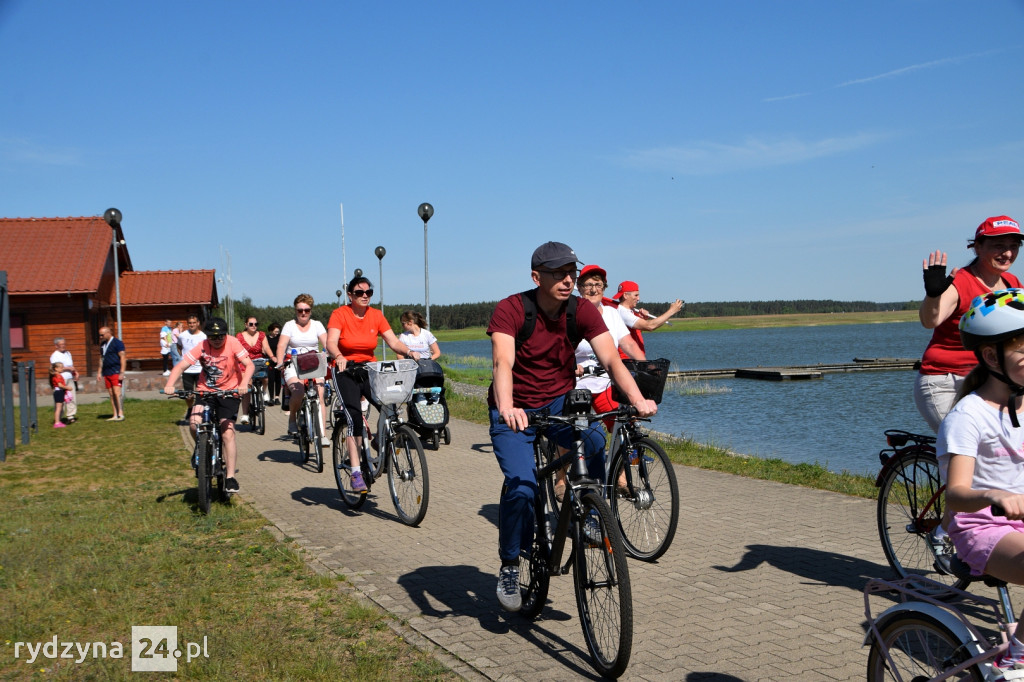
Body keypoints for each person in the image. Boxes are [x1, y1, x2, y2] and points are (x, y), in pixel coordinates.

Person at [488, 242, 657, 612]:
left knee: (596, 438)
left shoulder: (580, 311)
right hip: (515, 407)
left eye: (571, 272)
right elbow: (503, 362)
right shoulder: (512, 309)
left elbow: (612, 358)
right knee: (521, 486)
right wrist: (506, 407)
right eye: (558, 273)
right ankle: (511, 564)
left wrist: (637, 399)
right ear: (536, 277)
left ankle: (590, 514)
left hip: (559, 399)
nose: (568, 279)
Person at [938, 288, 1024, 676]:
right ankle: (1016, 656)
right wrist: (992, 494)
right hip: (981, 525)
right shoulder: (968, 415)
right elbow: (955, 495)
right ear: (992, 357)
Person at [917, 215, 1024, 433]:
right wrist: (933, 295)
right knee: (966, 443)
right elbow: (930, 320)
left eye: (1014, 246)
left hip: (991, 377)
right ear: (977, 247)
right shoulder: (962, 282)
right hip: (946, 381)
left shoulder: (1012, 283)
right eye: (999, 246)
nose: (1008, 253)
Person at [326, 277, 422, 493]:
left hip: (369, 370)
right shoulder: (340, 314)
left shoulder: (376, 315)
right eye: (360, 292)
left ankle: (380, 441)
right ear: (350, 295)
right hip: (344, 370)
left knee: (390, 406)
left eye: (369, 292)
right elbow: (330, 341)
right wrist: (339, 355)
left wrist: (409, 352)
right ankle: (356, 471)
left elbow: (393, 341)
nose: (365, 296)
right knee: (354, 418)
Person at [163, 317, 254, 494]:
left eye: (220, 336)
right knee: (193, 422)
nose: (217, 339)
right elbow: (181, 366)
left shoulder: (233, 343)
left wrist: (244, 383)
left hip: (229, 392)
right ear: (208, 336)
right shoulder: (203, 346)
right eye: (213, 336)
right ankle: (201, 449)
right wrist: (170, 384)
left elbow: (249, 365)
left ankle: (229, 478)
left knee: (227, 432)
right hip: (206, 392)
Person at [275, 294, 329, 444]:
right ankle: (292, 417)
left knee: (320, 393)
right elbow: (281, 345)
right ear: (296, 311)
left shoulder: (317, 325)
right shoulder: (289, 325)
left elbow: (327, 343)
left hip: (313, 363)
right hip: (294, 364)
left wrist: (333, 355)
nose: (303, 313)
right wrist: (280, 362)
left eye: (306, 310)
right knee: (298, 391)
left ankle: (323, 434)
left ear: (311, 310)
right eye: (300, 310)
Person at [611, 280, 684, 358]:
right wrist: (671, 311)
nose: (638, 298)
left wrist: (642, 319)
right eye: (636, 295)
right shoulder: (622, 312)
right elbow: (650, 326)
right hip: (627, 361)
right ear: (625, 295)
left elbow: (634, 333)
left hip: (635, 360)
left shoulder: (629, 312)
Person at [236, 315, 273, 425]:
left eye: (255, 324)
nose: (254, 326)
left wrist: (272, 357)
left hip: (259, 361)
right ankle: (245, 414)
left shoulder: (261, 335)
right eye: (251, 324)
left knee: (265, 378)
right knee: (247, 386)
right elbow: (236, 350)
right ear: (246, 325)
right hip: (245, 362)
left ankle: (264, 392)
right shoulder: (240, 336)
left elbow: (266, 347)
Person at [177, 315, 207, 418]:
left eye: (194, 323)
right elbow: (179, 346)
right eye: (190, 323)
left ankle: (199, 412)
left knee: (200, 393)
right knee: (188, 394)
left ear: (198, 323)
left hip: (200, 369)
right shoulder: (182, 336)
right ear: (187, 324)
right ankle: (190, 408)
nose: (192, 325)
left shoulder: (203, 336)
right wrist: (184, 358)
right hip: (187, 370)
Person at [98, 326, 126, 421]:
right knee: (111, 393)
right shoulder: (103, 345)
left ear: (108, 333)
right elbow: (101, 358)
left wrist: (122, 372)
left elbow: (122, 357)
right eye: (100, 335)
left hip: (116, 371)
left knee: (117, 392)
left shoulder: (117, 343)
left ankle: (121, 414)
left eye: (102, 335)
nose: (101, 337)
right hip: (107, 372)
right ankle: (115, 414)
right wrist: (99, 372)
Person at [49, 337, 79, 423]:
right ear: (56, 346)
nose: (63, 346)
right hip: (60, 378)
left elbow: (71, 365)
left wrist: (75, 372)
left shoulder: (68, 353)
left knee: (71, 397)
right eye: (61, 344)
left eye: (64, 344)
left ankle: (71, 416)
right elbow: (56, 368)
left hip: (69, 377)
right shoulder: (55, 355)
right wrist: (69, 368)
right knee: (60, 399)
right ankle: (59, 417)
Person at [266, 321, 283, 406]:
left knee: (278, 379)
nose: (277, 333)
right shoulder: (266, 338)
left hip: (279, 361)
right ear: (271, 331)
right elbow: (265, 349)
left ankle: (277, 397)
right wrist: (271, 357)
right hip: (270, 361)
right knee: (271, 379)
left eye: (278, 331)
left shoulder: (280, 338)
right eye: (275, 331)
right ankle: (271, 398)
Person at [49, 362, 70, 429]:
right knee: (58, 408)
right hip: (59, 392)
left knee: (60, 407)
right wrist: (68, 388)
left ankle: (58, 421)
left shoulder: (57, 375)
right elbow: (60, 385)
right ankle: (57, 423)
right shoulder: (57, 376)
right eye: (61, 367)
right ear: (56, 368)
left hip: (59, 392)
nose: (62, 368)